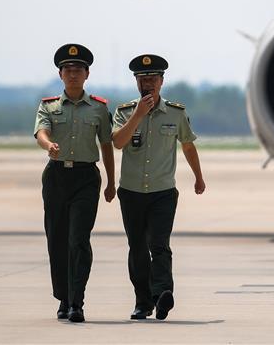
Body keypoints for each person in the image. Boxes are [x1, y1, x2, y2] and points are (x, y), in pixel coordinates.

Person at [111, 53, 205, 321]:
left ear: (162, 81)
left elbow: (188, 145)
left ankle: (163, 293)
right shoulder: (124, 112)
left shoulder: (175, 113)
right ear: (136, 83)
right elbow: (118, 142)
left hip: (163, 192)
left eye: (152, 78)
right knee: (137, 247)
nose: (147, 83)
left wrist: (198, 177)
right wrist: (138, 115)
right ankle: (143, 301)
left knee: (160, 244)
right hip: (131, 192)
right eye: (142, 79)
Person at [33, 43, 116, 323]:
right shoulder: (49, 106)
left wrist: (111, 182)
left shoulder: (99, 108)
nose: (73, 74)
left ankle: (77, 301)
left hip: (85, 178)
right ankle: (64, 298)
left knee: (78, 240)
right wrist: (48, 145)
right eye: (68, 70)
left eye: (78, 70)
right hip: (56, 177)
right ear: (60, 74)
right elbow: (41, 132)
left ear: (87, 74)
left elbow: (106, 145)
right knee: (57, 240)